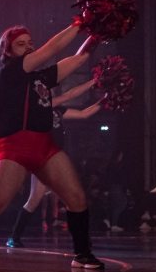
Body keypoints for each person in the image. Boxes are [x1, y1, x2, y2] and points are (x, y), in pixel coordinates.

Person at [0, 23, 104, 270]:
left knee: (77, 198)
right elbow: (53, 48)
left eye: (30, 42)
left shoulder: (40, 77)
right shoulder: (10, 71)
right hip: (15, 147)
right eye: (21, 43)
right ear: (8, 51)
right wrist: (81, 22)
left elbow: (78, 60)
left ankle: (82, 254)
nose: (28, 46)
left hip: (44, 145)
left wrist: (97, 33)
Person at [6, 79, 101, 247]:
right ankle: (82, 241)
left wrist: (105, 100)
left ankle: (15, 235)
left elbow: (84, 113)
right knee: (71, 199)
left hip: (54, 159)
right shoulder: (39, 108)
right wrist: (94, 81)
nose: (51, 93)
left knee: (35, 199)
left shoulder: (58, 110)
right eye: (46, 91)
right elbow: (70, 94)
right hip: (43, 157)